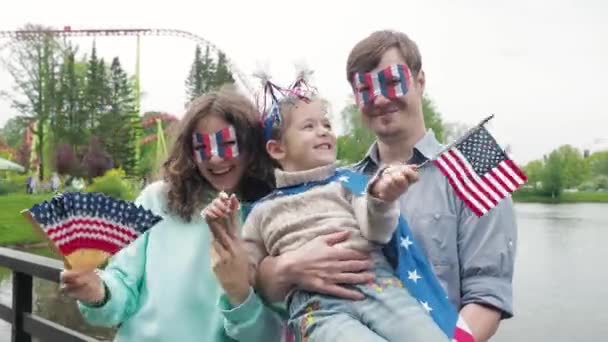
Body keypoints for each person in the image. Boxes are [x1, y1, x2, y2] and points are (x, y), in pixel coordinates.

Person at [203, 87, 448, 341]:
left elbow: (378, 231)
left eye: (326, 124)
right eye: (309, 126)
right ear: (277, 149)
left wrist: (382, 198)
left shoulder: (348, 185)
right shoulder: (261, 211)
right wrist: (228, 232)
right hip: (318, 310)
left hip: (378, 285)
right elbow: (250, 275)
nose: (323, 131)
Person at [59, 86, 286, 342]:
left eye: (227, 143)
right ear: (189, 150)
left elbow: (273, 333)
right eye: (202, 146)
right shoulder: (156, 199)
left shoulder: (275, 215)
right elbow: (121, 283)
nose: (214, 158)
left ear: (251, 146)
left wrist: (240, 294)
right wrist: (98, 292)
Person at [345, 30, 517, 342]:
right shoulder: (343, 185)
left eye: (392, 81)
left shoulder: (478, 168)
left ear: (420, 81)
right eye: (365, 89)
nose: (380, 98)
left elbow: (488, 293)